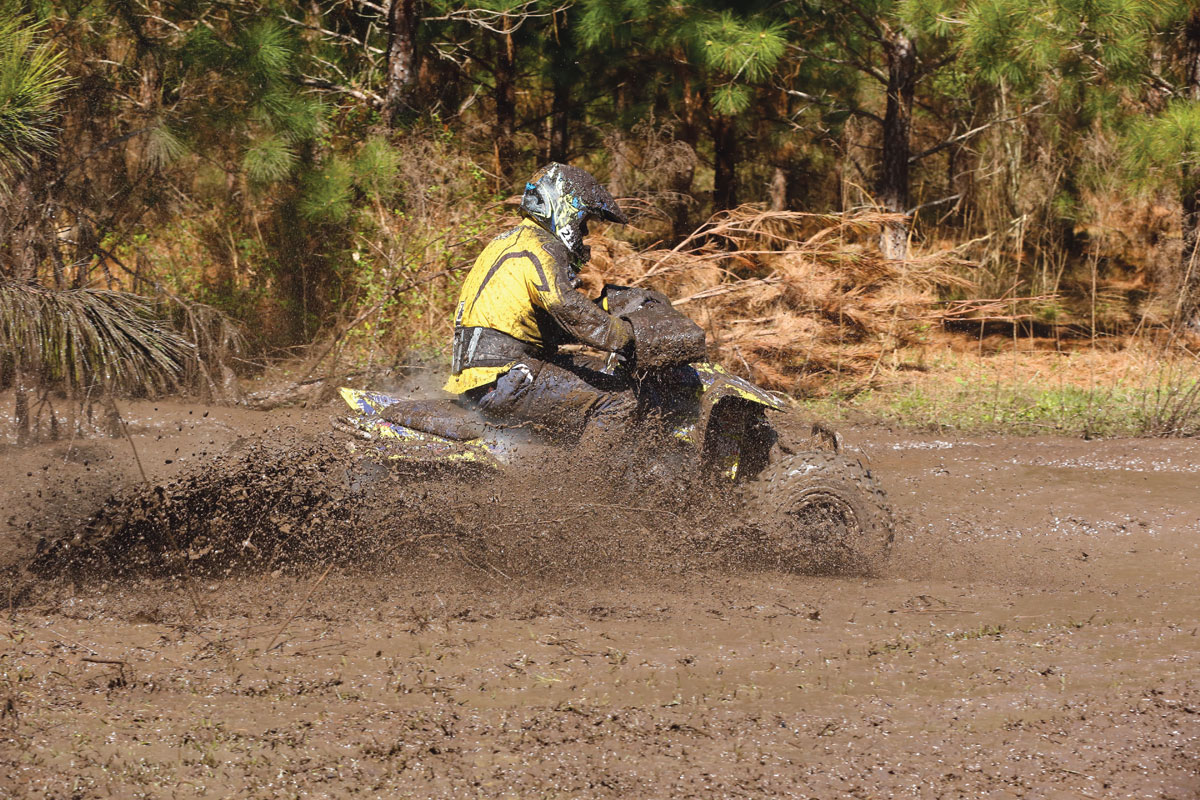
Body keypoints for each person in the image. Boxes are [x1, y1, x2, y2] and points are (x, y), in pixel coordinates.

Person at [442, 162, 637, 442]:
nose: (583, 234)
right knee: (619, 400)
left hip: (487, 378)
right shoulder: (542, 245)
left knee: (600, 373)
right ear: (565, 209)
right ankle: (590, 484)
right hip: (504, 378)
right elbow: (566, 307)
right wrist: (628, 336)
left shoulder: (510, 240)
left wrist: (600, 312)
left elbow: (544, 319)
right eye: (582, 223)